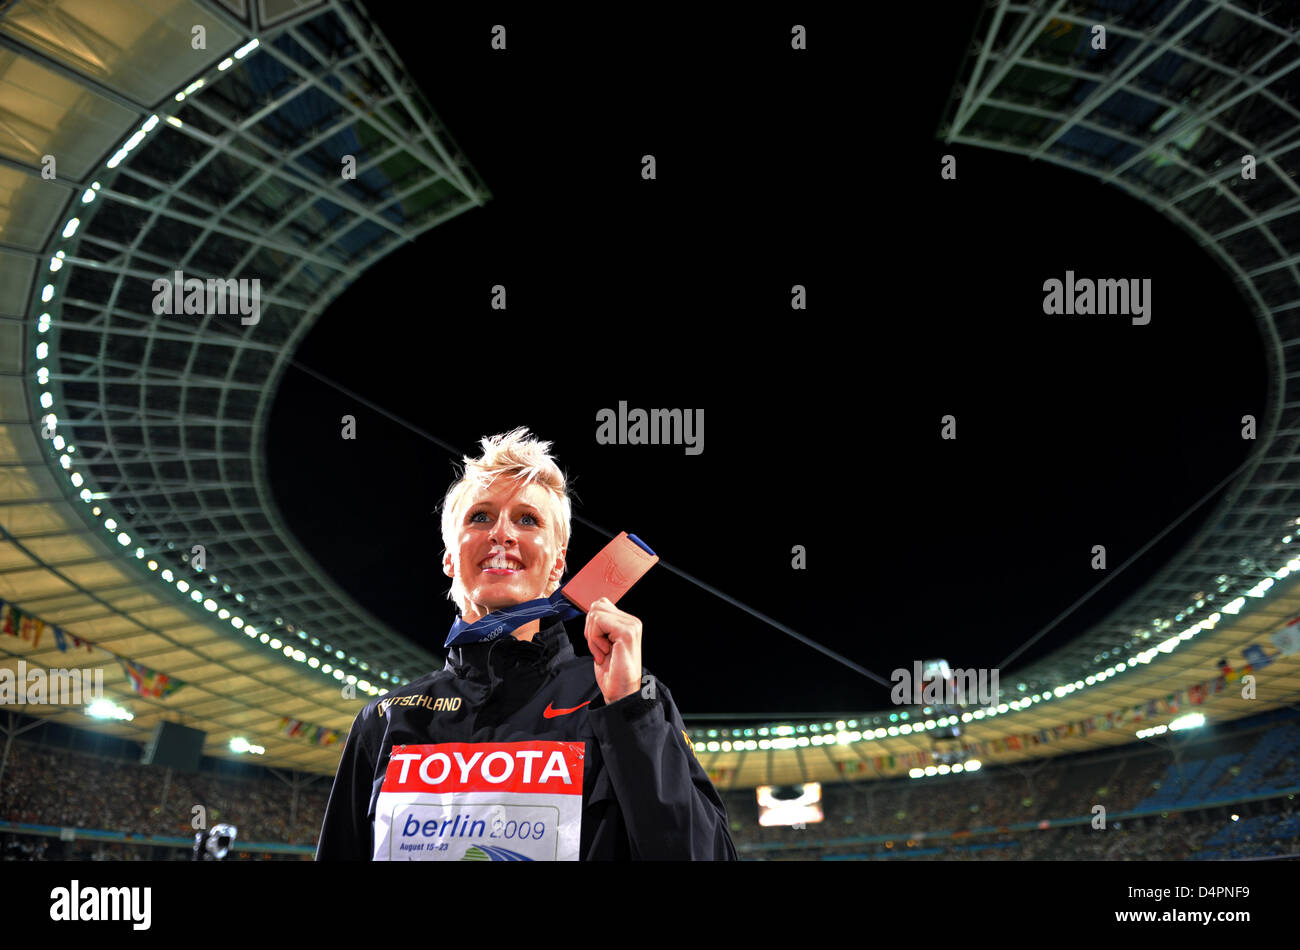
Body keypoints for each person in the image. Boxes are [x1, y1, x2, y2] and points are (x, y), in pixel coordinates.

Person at [316, 427, 736, 860]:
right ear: (448, 555)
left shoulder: (622, 698)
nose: (502, 533)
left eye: (527, 519)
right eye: (480, 516)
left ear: (557, 564)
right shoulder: (385, 720)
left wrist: (631, 716)